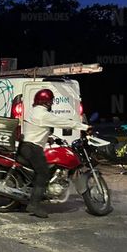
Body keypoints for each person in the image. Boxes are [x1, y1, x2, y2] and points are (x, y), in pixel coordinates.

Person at [21, 88, 89, 218]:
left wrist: (48, 137)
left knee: (40, 170)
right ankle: (34, 204)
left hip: (27, 146)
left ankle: (34, 195)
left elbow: (36, 129)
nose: (51, 103)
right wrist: (85, 127)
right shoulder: (44, 114)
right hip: (33, 148)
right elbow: (63, 122)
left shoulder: (33, 111)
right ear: (46, 102)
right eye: (50, 101)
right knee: (43, 173)